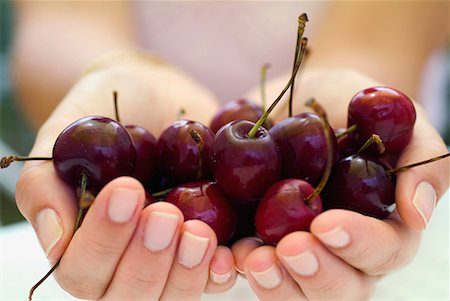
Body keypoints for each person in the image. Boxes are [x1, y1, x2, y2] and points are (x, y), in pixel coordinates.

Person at [9, 1, 449, 300]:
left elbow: (383, 33)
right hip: (148, 202)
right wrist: (115, 71)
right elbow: (63, 21)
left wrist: (348, 82)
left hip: (354, 250)